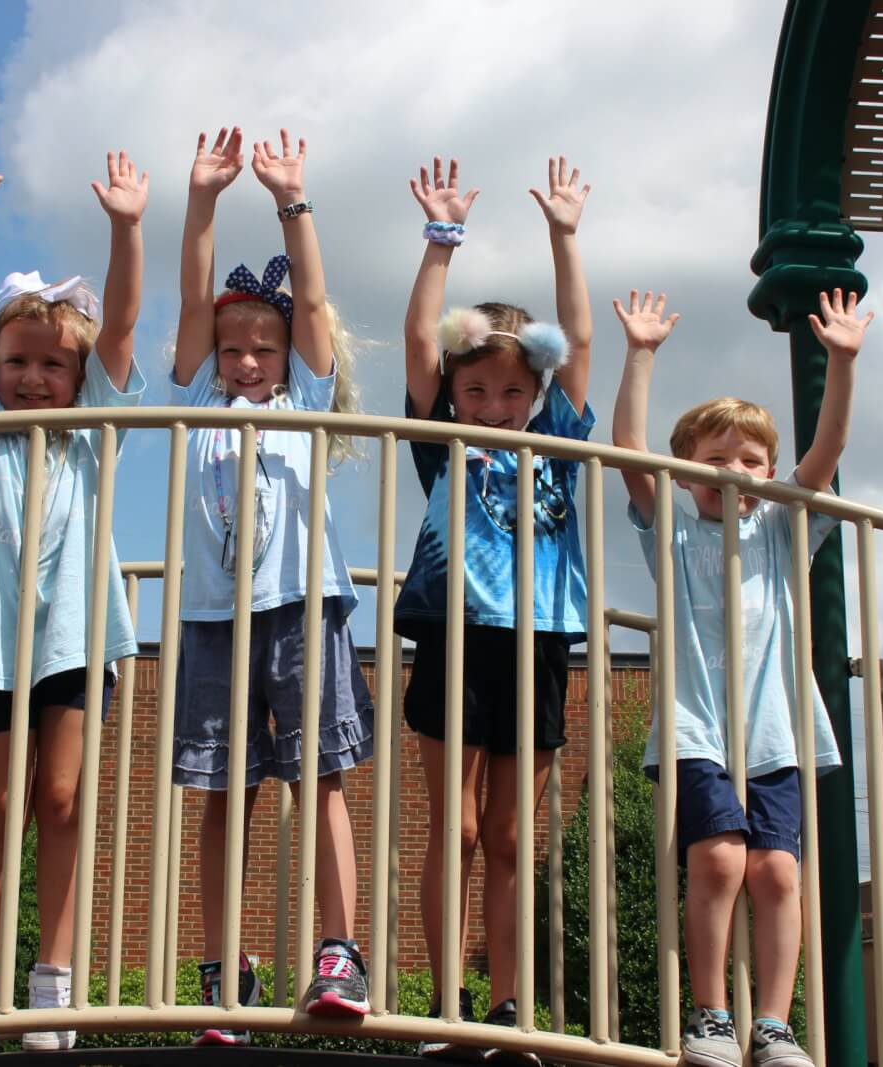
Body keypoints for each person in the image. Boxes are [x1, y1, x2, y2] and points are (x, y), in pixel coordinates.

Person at [610, 288, 871, 1067]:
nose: (733, 472)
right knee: (719, 857)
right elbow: (628, 451)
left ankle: (775, 1023)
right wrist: (642, 355)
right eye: (713, 460)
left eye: (749, 460)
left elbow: (823, 455)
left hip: (775, 723)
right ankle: (712, 1015)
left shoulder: (782, 522)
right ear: (686, 472)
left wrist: (843, 363)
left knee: (779, 871)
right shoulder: (678, 528)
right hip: (698, 720)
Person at [0, 141, 148, 1056]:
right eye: (17, 361)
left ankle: (50, 979)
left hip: (70, 634)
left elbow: (125, 327)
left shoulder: (92, 437)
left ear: (77, 379)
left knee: (60, 798)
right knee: (2, 799)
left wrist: (126, 230)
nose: (30, 377)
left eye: (51, 367)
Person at [169, 126, 374, 1046]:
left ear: (290, 355)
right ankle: (226, 966)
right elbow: (188, 300)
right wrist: (203, 204)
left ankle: (339, 950)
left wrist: (292, 201)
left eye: (265, 348)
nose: (248, 363)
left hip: (300, 603)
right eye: (234, 349)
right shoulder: (201, 401)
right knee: (222, 789)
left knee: (319, 777)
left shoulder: (301, 401)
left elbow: (317, 299)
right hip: (215, 617)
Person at [394, 155, 595, 1064]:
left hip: (541, 637)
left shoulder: (554, 438)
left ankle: (510, 1011)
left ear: (538, 393)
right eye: (476, 389)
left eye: (511, 390)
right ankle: (447, 1005)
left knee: (512, 831)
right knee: (460, 825)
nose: (493, 404)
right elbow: (416, 346)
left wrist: (564, 236)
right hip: (456, 631)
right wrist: (441, 243)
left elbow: (581, 345)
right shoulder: (445, 442)